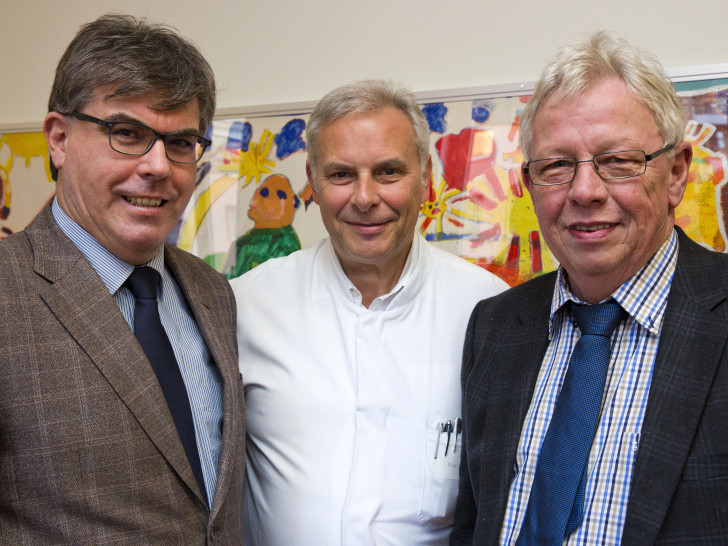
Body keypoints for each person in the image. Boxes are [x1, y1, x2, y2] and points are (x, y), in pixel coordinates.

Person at [452, 31, 728, 545]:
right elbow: (474, 523)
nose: (584, 191)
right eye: (557, 165)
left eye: (619, 160)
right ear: (529, 185)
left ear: (676, 174)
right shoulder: (493, 327)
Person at [0, 14, 245, 543]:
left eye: (180, 142)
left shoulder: (212, 293)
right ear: (59, 139)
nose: (158, 165)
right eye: (126, 133)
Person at [231, 79, 508, 544]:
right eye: (341, 175)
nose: (364, 198)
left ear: (425, 176)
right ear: (313, 181)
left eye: (388, 172)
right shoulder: (246, 305)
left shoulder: (489, 310)